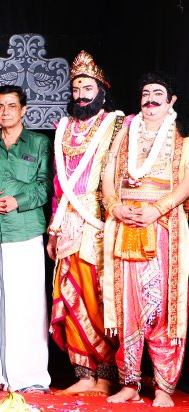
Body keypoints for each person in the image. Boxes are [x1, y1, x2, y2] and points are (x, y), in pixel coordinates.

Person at [103, 72, 189, 408]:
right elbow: (108, 179)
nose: (150, 99)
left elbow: (185, 184)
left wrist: (158, 209)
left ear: (172, 102)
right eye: (145, 93)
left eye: (158, 93)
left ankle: (165, 387)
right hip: (126, 225)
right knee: (128, 306)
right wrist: (115, 207)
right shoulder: (123, 138)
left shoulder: (182, 143)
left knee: (163, 306)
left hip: (164, 226)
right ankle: (129, 383)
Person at [47, 51, 124, 396]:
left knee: (98, 296)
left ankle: (107, 374)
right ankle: (84, 375)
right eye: (76, 87)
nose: (80, 93)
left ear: (102, 91)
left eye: (87, 87)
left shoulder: (118, 124)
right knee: (69, 294)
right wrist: (54, 225)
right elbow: (57, 184)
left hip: (99, 220)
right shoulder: (62, 127)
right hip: (67, 222)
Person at [0, 84, 53, 392]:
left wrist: (18, 200)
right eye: (0, 107)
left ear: (23, 110)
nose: (5, 112)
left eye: (11, 106)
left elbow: (46, 186)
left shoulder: (39, 143)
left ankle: (30, 377)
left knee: (28, 304)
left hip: (25, 231)